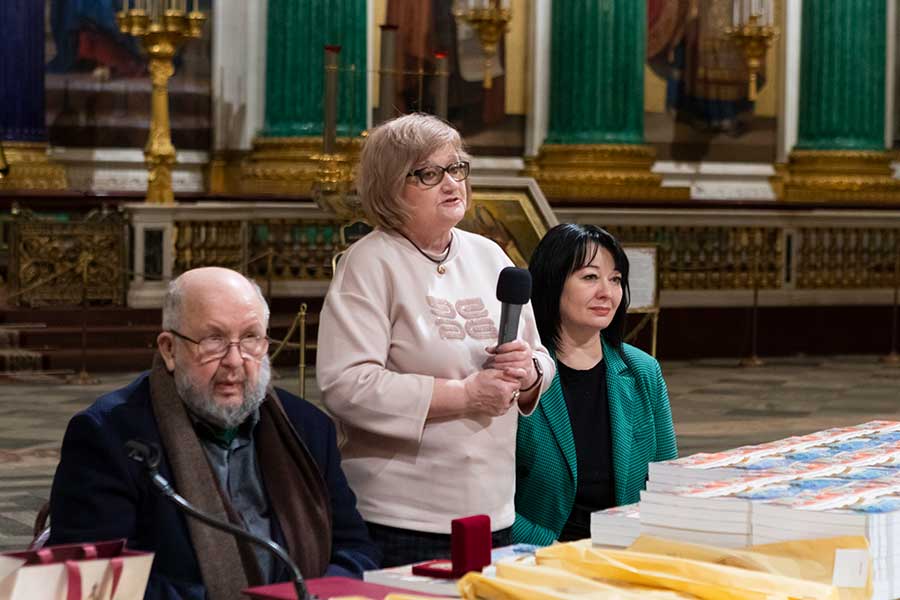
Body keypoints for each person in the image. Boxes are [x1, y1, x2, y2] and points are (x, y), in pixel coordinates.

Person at [49, 267, 380, 600]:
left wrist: (315, 596)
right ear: (169, 349)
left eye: (250, 338)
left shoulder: (307, 428)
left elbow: (355, 549)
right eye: (214, 340)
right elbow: (97, 580)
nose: (234, 360)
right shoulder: (111, 436)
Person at [316, 113, 554, 567]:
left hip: (492, 508)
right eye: (428, 174)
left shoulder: (489, 254)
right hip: (402, 517)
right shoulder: (370, 263)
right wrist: (464, 395)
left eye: (456, 168)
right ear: (390, 186)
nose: (451, 183)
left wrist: (529, 373)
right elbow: (346, 386)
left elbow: (539, 354)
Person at [513, 224, 677, 545]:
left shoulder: (642, 370)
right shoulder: (522, 372)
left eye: (615, 279)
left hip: (626, 550)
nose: (607, 292)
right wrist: (557, 551)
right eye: (590, 277)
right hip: (538, 555)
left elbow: (667, 481)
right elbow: (489, 500)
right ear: (552, 282)